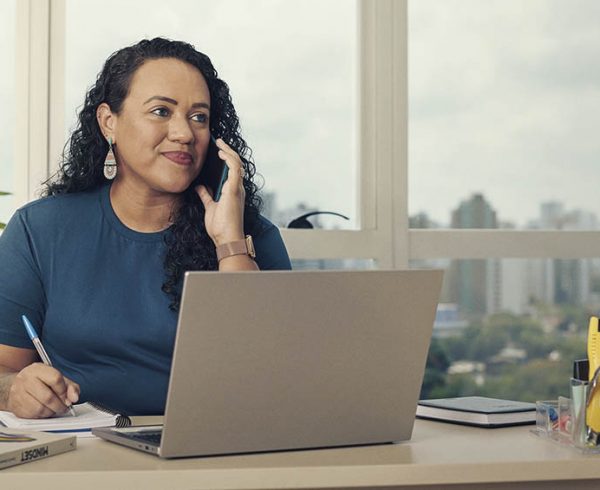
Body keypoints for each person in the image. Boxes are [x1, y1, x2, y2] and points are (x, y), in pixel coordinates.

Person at [0, 38, 291, 418]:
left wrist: (229, 244)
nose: (184, 133)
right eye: (160, 111)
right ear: (109, 122)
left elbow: (269, 375)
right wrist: (15, 390)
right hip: (82, 451)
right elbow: (4, 371)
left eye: (199, 117)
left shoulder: (251, 236)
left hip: (215, 450)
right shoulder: (39, 229)